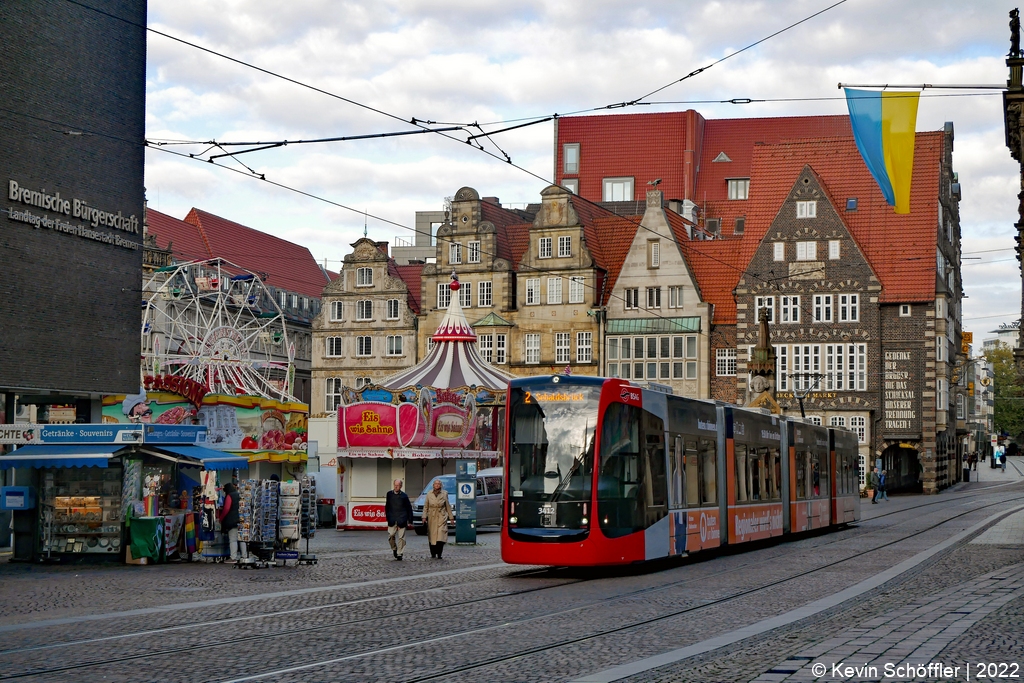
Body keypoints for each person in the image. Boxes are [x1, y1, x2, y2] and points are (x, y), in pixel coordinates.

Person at [424, 478, 454, 559]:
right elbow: (426, 506)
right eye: (435, 484)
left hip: (441, 516)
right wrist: (424, 516)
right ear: (433, 485)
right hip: (432, 516)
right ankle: (433, 553)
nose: (437, 485)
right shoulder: (429, 494)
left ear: (440, 485)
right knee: (432, 536)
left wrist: (451, 518)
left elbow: (447, 506)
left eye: (438, 484)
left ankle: (439, 553)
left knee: (441, 535)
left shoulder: (444, 494)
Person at [385, 479, 414, 561]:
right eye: (395, 485)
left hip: (402, 518)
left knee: (401, 537)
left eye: (398, 485)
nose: (396, 487)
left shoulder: (404, 496)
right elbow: (387, 506)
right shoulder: (389, 494)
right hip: (392, 518)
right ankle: (394, 548)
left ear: (401, 486)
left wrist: (410, 520)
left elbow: (409, 508)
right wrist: (388, 516)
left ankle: (399, 553)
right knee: (391, 535)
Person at [218, 482, 240, 562]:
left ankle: (233, 557)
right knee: (242, 539)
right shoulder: (238, 494)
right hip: (240, 519)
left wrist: (221, 518)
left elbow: (226, 508)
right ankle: (244, 556)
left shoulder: (229, 496)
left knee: (233, 539)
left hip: (232, 521)